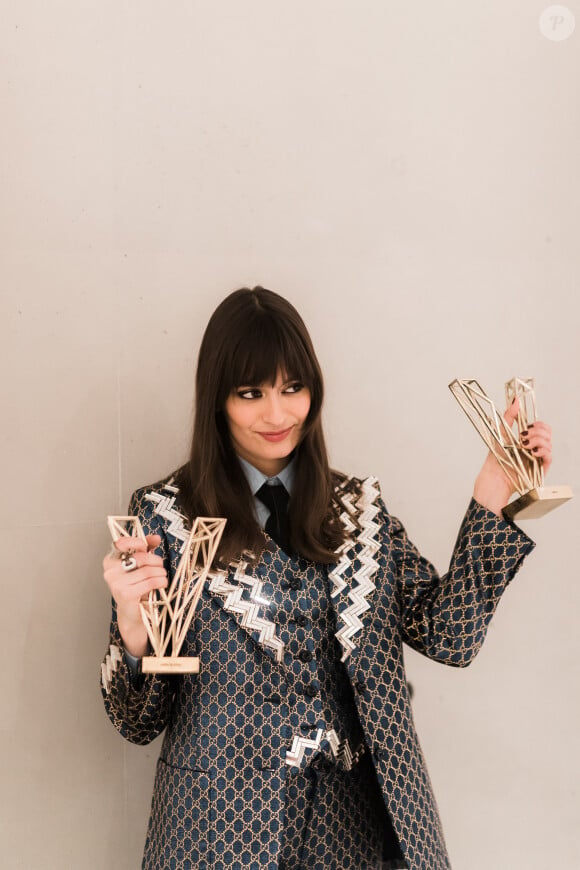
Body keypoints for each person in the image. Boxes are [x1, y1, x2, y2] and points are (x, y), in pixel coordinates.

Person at [101, 286, 552, 870]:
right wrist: (133, 626)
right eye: (250, 393)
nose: (277, 414)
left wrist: (493, 492)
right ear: (217, 399)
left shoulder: (358, 512)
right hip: (214, 831)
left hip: (352, 831)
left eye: (293, 388)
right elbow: (135, 722)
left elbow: (450, 636)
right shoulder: (166, 516)